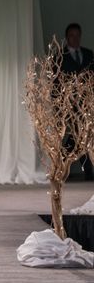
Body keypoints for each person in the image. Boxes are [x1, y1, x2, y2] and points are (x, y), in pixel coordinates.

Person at [60, 22, 94, 181]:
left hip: (86, 103)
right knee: (78, 135)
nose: (75, 38)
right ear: (67, 38)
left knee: (82, 135)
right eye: (72, 35)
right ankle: (64, 165)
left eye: (77, 35)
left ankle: (62, 166)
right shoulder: (59, 56)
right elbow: (56, 82)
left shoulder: (89, 54)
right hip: (69, 104)